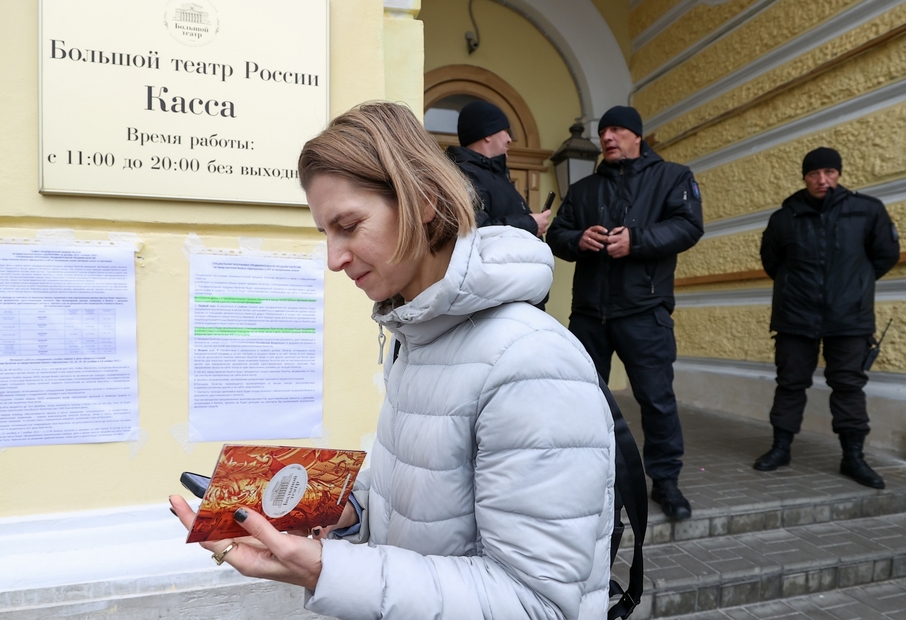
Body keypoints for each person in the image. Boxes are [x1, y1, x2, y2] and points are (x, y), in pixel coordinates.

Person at [170, 101, 616, 619]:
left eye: (349, 226)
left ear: (422, 201)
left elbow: (536, 603)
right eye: (326, 234)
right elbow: (428, 502)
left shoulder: (531, 362)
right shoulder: (421, 335)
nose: (334, 259)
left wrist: (324, 569)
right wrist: (338, 507)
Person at [546, 105, 703, 522]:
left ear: (636, 135)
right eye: (604, 132)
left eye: (617, 130)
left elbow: (689, 226)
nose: (608, 138)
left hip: (644, 311)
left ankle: (665, 483)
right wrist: (579, 238)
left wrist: (637, 240)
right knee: (583, 398)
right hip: (589, 313)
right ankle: (586, 477)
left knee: (656, 400)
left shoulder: (673, 177)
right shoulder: (583, 190)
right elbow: (557, 236)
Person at [755, 147, 900, 488]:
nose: (822, 180)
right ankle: (780, 448)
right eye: (814, 174)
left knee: (849, 386)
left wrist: (854, 285)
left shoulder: (866, 211)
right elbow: (772, 262)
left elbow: (885, 255)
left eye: (829, 173)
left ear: (839, 174)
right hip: (796, 315)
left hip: (849, 317)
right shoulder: (784, 217)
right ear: (804, 177)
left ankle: (853, 457)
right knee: (790, 384)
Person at [445, 100, 551, 238]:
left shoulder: (499, 176)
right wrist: (530, 224)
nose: (509, 139)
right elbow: (475, 230)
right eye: (505, 131)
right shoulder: (463, 174)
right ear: (487, 134)